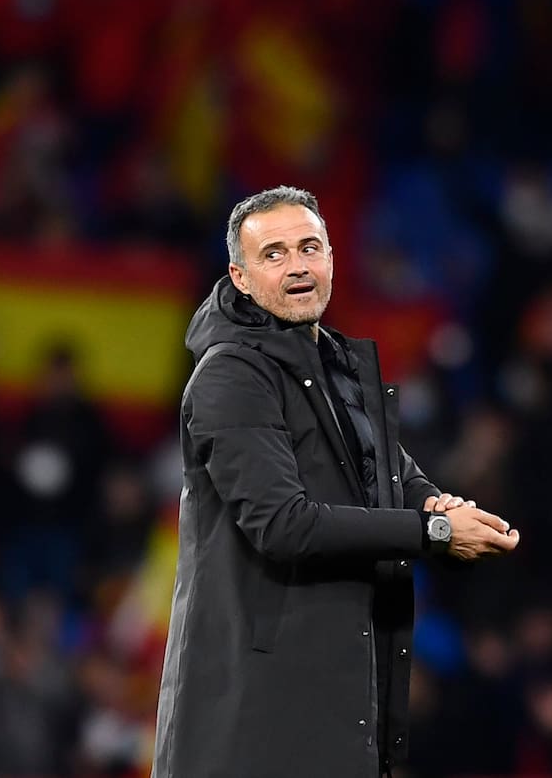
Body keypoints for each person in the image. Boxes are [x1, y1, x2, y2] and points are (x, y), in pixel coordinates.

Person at [151, 186, 521, 778]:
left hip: (335, 700)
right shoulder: (231, 376)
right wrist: (434, 531)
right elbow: (283, 525)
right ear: (240, 277)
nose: (297, 266)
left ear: (330, 257)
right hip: (254, 719)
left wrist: (438, 506)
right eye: (274, 254)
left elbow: (391, 474)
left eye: (309, 247)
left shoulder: (334, 366)